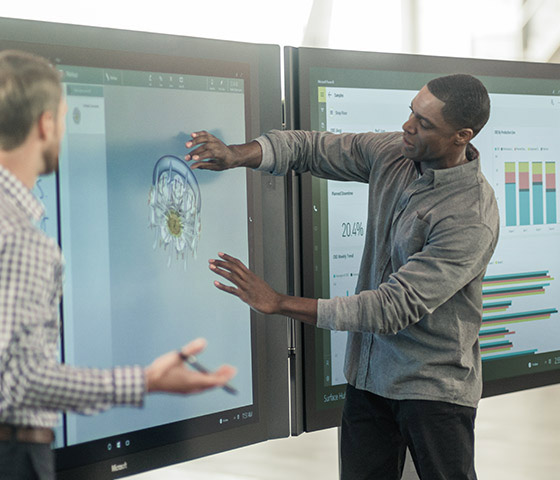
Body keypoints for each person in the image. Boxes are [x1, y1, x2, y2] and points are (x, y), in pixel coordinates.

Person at [190, 74, 499, 480]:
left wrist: (279, 302)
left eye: (424, 124)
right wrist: (237, 154)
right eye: (411, 112)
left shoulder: (470, 216)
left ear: (462, 136)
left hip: (433, 390)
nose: (407, 126)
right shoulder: (394, 153)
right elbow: (310, 147)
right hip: (369, 379)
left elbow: (392, 308)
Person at [0, 50, 237, 480]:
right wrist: (145, 381)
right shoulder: (19, 238)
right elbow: (19, 380)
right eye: (64, 119)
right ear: (45, 124)